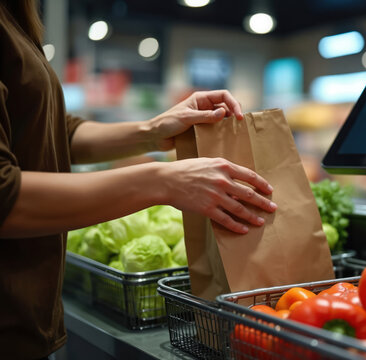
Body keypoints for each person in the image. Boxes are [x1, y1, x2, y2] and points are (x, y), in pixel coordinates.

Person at [0, 1, 277, 358]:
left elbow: (53, 133)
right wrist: (163, 182)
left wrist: (151, 131)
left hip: (27, 316)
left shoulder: (14, 14)